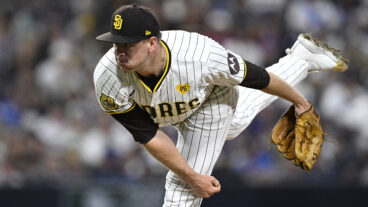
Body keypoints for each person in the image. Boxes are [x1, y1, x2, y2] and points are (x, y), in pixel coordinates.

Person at [93, 4, 348, 207]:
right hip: (174, 110)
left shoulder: (200, 56)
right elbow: (148, 134)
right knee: (233, 125)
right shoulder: (107, 77)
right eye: (116, 43)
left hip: (209, 101)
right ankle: (302, 59)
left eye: (128, 43)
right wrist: (194, 176)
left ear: (152, 43)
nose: (119, 51)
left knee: (182, 188)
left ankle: (303, 60)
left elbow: (257, 78)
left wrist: (300, 102)